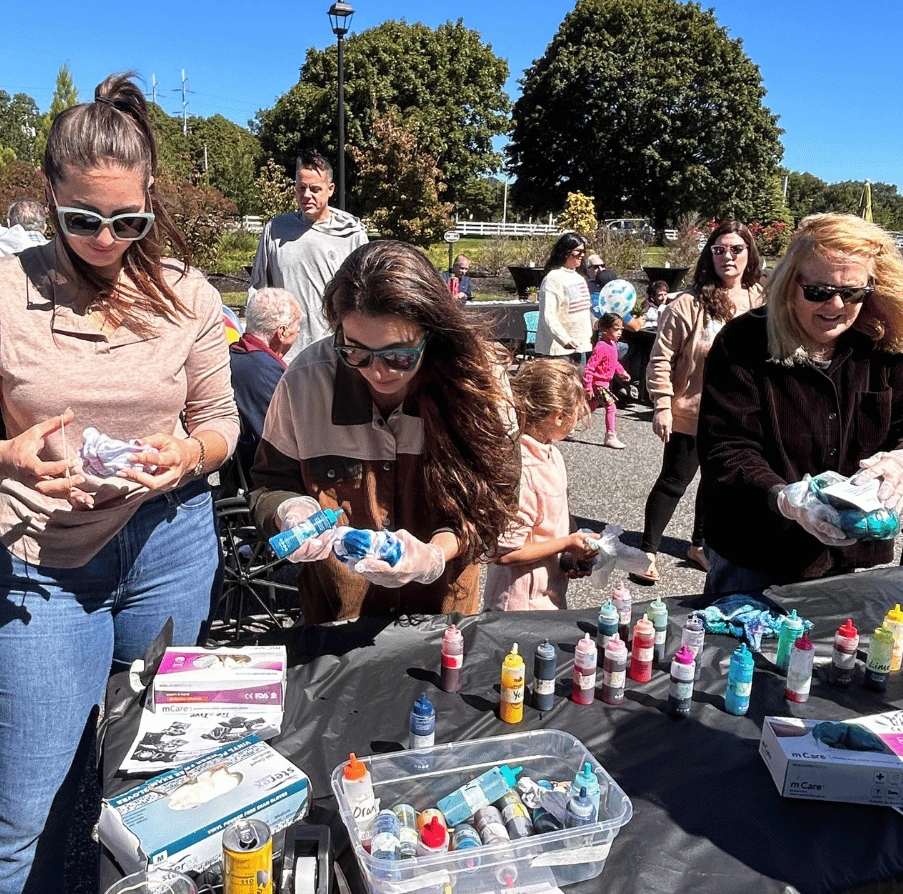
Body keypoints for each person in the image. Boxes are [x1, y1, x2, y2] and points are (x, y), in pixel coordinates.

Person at [0, 74, 239, 894]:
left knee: (159, 777)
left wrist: (188, 457)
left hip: (167, 542)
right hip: (42, 562)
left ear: (150, 206)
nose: (107, 242)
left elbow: (221, 422)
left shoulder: (187, 292)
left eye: (128, 223)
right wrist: (8, 456)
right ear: (49, 199)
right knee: (28, 801)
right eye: (84, 221)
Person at [249, 239, 520, 625]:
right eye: (355, 352)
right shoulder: (305, 381)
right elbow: (268, 483)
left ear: (432, 330)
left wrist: (434, 555)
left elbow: (497, 504)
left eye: (399, 356)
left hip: (442, 621)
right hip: (336, 617)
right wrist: (289, 510)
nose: (378, 373)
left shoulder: (481, 382)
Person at [699, 213, 903, 594]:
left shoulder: (889, 342)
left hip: (853, 550)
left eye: (852, 293)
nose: (836, 305)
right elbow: (727, 449)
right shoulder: (743, 342)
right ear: (791, 283)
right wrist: (787, 498)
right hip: (755, 550)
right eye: (819, 291)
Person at [634, 221, 764, 583]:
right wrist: (662, 404)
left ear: (749, 254)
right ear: (709, 255)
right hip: (692, 413)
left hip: (739, 416)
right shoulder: (689, 303)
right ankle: (647, 551)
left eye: (736, 249)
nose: (728, 257)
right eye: (719, 249)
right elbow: (661, 357)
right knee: (674, 481)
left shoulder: (759, 300)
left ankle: (699, 545)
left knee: (716, 483)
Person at [485, 358, 600, 610]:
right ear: (558, 417)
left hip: (549, 593)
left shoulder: (552, 454)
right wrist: (566, 543)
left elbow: (557, 520)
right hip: (519, 605)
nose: (578, 419)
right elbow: (504, 552)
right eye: (576, 414)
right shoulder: (522, 469)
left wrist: (572, 553)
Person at [250, 152, 368, 359]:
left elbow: (364, 294)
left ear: (330, 190)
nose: (306, 196)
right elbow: (258, 290)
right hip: (284, 353)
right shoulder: (276, 229)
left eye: (315, 189)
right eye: (301, 188)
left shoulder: (351, 233)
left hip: (334, 351)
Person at [230, 287, 302, 482]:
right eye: (297, 327)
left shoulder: (232, 356)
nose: (298, 332)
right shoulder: (268, 372)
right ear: (282, 332)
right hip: (269, 478)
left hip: (238, 475)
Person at [535, 232, 593, 360]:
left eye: (584, 252)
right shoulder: (553, 278)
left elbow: (584, 311)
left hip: (580, 347)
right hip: (558, 350)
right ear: (566, 252)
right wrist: (564, 339)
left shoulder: (579, 278)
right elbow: (548, 315)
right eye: (578, 251)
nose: (582, 255)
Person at [584, 312, 630, 449]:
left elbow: (613, 362)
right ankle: (610, 436)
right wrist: (588, 387)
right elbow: (590, 367)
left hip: (604, 383)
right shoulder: (601, 346)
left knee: (589, 408)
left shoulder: (612, 345)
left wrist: (621, 372)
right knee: (611, 407)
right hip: (599, 384)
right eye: (616, 329)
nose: (619, 332)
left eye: (621, 329)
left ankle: (569, 425)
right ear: (605, 330)